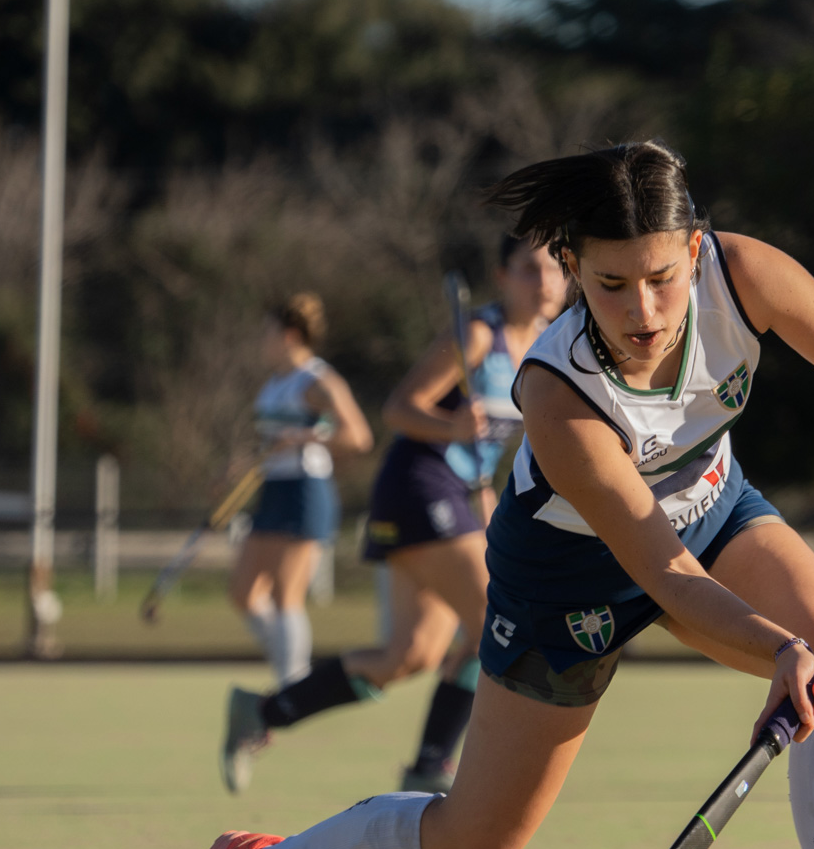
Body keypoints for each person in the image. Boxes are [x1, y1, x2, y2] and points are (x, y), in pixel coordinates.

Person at [165, 141, 814, 849]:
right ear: (571, 269)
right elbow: (662, 573)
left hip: (712, 505)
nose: (643, 310)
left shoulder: (744, 275)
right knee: (477, 839)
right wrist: (776, 646)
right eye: (611, 284)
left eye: (662, 278)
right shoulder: (557, 395)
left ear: (696, 249)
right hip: (569, 578)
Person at [221, 237, 565, 794]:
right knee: (496, 618)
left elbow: (497, 440)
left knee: (409, 655)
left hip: (455, 493)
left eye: (554, 269)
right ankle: (430, 765)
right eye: (529, 269)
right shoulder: (480, 335)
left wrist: (484, 486)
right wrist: (451, 427)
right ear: (502, 276)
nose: (544, 281)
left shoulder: (546, 346)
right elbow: (400, 409)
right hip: (417, 486)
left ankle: (263, 711)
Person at [226, 293, 372, 719]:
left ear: (289, 336)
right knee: (243, 591)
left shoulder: (317, 380)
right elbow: (272, 441)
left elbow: (358, 436)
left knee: (286, 595)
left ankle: (290, 693)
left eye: (267, 333)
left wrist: (306, 438)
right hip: (274, 488)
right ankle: (295, 680)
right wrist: (241, 463)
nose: (261, 341)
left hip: (307, 489)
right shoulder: (274, 383)